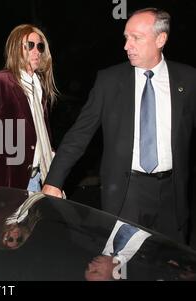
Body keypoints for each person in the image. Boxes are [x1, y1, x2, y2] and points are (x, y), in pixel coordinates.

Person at [43, 8, 196, 243]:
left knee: (170, 269)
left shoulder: (188, 79)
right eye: (126, 37)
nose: (127, 46)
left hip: (172, 198)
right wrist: (54, 181)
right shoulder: (110, 81)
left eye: (136, 38)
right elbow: (79, 134)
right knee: (122, 267)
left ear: (160, 39)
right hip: (126, 195)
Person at [0, 24, 58, 192]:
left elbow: (41, 133)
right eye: (29, 45)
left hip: (38, 178)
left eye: (39, 46)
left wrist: (52, 158)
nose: (36, 51)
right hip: (6, 181)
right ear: (15, 48)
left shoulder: (39, 87)